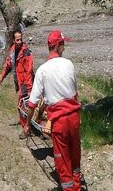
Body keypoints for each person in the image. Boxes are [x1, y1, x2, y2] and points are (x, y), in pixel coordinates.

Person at [24, 30, 82, 191]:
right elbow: (74, 94)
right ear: (57, 46)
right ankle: (77, 183)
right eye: (63, 44)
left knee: (62, 160)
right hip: (74, 118)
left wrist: (28, 124)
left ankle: (70, 188)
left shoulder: (43, 70)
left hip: (60, 122)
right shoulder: (69, 64)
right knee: (75, 155)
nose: (64, 47)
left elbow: (32, 103)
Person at [0, 29, 34, 139]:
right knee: (24, 107)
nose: (19, 41)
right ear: (13, 40)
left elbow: (29, 71)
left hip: (25, 83)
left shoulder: (26, 52)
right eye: (17, 39)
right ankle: (29, 126)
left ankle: (26, 130)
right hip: (19, 83)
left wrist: (28, 89)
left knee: (22, 107)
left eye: (20, 39)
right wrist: (1, 77)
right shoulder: (13, 51)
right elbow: (8, 65)